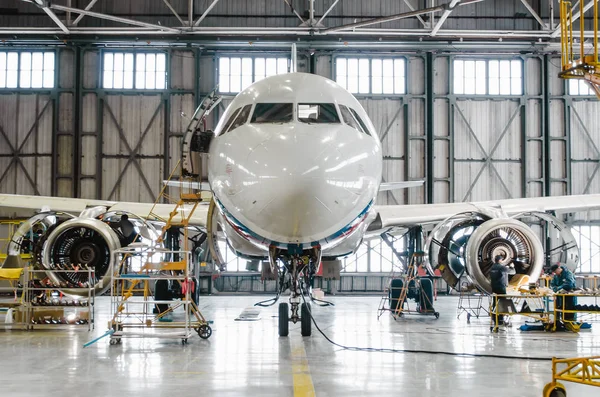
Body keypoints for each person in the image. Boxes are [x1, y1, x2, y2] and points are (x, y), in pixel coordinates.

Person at [489, 255, 516, 328]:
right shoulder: (502, 267)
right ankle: (500, 319)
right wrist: (512, 266)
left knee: (495, 303)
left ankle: (495, 319)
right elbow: (513, 272)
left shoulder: (492, 267)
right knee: (502, 303)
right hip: (501, 287)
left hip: (494, 288)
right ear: (500, 260)